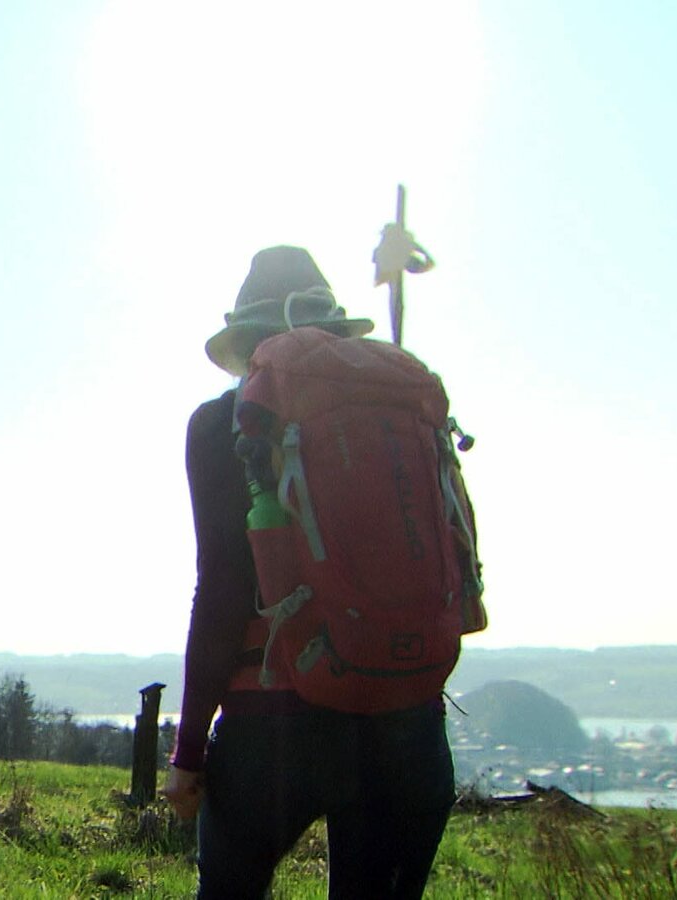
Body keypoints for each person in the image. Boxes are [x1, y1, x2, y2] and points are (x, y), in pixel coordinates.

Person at [161, 246, 456, 899]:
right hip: (404, 712)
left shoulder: (222, 423)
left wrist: (189, 752)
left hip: (275, 720)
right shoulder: (403, 408)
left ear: (246, 343)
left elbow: (222, 587)